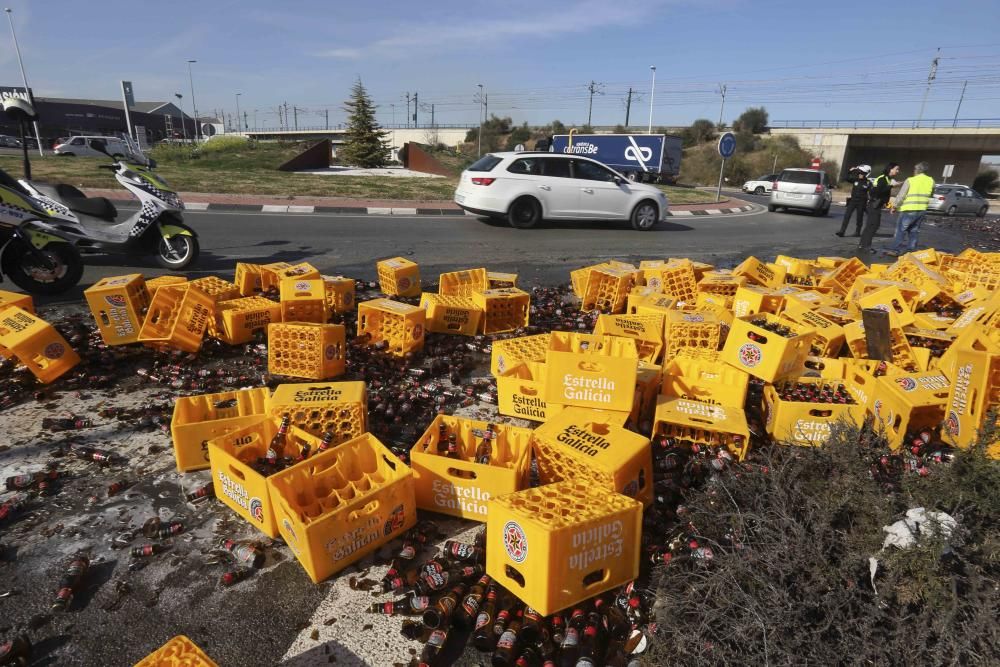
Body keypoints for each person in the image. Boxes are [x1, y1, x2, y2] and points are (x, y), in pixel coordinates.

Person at [885, 162, 934, 256]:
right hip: (922, 210)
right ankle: (911, 250)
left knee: (900, 230)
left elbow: (901, 195)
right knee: (914, 230)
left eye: (914, 170)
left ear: (917, 170)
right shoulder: (931, 180)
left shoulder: (911, 180)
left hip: (909, 209)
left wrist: (894, 206)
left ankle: (894, 250)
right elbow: (931, 193)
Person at [858, 162, 900, 252]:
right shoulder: (883, 179)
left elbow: (883, 192)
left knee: (870, 225)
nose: (898, 171)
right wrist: (891, 186)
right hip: (874, 205)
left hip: (876, 205)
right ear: (891, 169)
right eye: (896, 169)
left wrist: (885, 201)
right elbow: (875, 192)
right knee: (874, 225)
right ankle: (866, 246)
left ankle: (862, 244)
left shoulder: (887, 179)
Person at [836, 164, 872, 237]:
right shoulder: (855, 179)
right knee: (847, 215)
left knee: (859, 217)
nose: (860, 174)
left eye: (862, 173)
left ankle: (857, 232)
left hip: (862, 202)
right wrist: (850, 171)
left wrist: (869, 202)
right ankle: (842, 231)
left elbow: (872, 193)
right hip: (853, 201)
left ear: (866, 174)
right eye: (859, 173)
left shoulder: (868, 183)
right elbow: (846, 178)